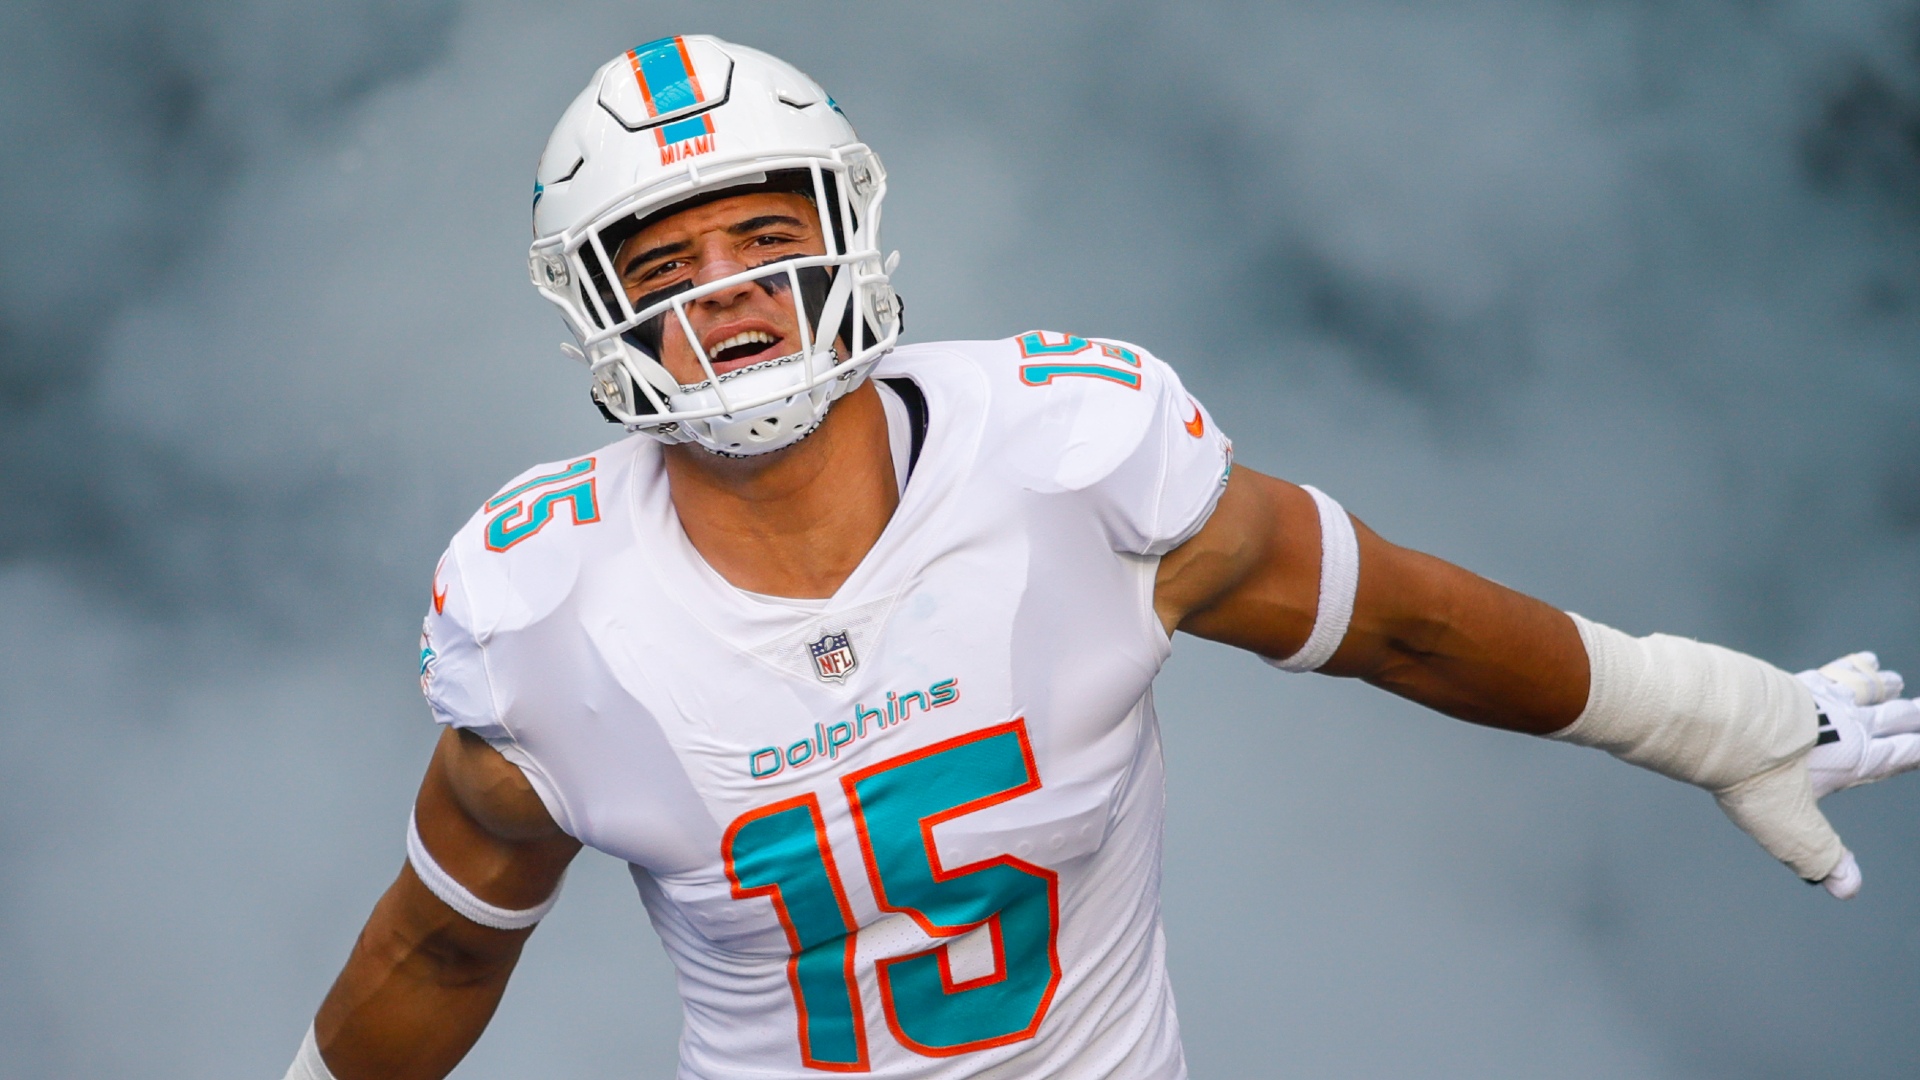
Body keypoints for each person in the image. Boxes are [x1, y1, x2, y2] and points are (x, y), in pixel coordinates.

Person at [282, 35, 1920, 1080]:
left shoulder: (1075, 461)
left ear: (847, 234)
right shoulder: (548, 616)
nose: (724, 292)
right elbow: (434, 949)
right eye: (671, 259)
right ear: (594, 308)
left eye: (765, 236)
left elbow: (1406, 624)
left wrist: (1710, 715)